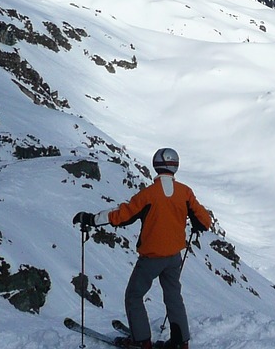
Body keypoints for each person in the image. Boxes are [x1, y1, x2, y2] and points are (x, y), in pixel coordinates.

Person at [75, 147, 212, 349]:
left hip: (151, 258)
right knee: (173, 296)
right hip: (174, 256)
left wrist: (91, 219)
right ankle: (181, 342)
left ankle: (141, 341)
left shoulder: (148, 194)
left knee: (134, 296)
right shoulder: (185, 193)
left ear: (156, 165)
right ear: (175, 167)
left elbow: (122, 216)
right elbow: (205, 222)